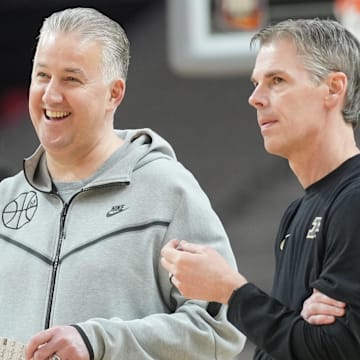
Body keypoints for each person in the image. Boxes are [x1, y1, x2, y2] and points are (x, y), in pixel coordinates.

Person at [0, 7, 246, 360]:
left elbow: (221, 328)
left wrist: (99, 342)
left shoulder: (167, 192)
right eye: (42, 76)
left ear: (114, 94)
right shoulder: (6, 199)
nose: (51, 95)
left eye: (71, 79)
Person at [161, 18, 360, 359]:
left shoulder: (354, 200)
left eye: (277, 81)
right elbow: (291, 344)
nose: (255, 98)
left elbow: (335, 351)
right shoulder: (297, 212)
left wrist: (230, 290)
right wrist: (295, 323)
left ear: (333, 88)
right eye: (256, 83)